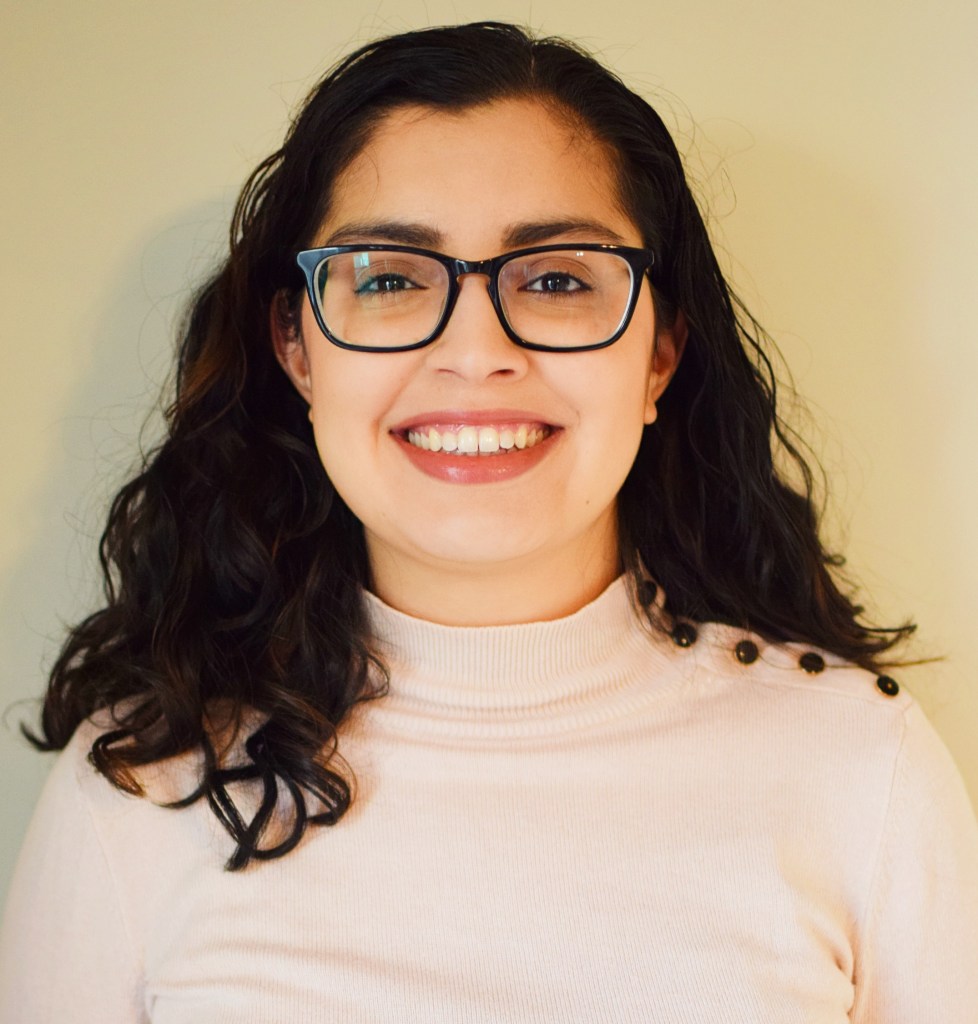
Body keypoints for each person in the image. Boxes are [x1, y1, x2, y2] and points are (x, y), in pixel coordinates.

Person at [0, 20, 975, 1023]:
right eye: (389, 277)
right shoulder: (141, 785)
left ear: (660, 354)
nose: (476, 349)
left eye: (555, 278)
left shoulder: (862, 768)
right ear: (296, 347)